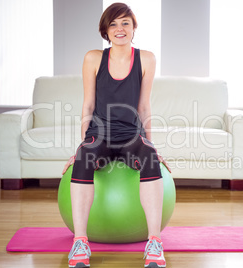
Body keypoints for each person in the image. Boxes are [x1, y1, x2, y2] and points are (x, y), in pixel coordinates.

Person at [62, 3, 167, 268]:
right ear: (105, 31)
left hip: (132, 135)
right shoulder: (93, 58)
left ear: (134, 28)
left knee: (150, 157)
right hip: (100, 134)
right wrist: (81, 146)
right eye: (113, 24)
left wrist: (151, 144)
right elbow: (87, 105)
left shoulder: (147, 59)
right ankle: (80, 242)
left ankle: (154, 243)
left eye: (125, 23)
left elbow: (144, 105)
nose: (119, 29)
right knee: (85, 156)